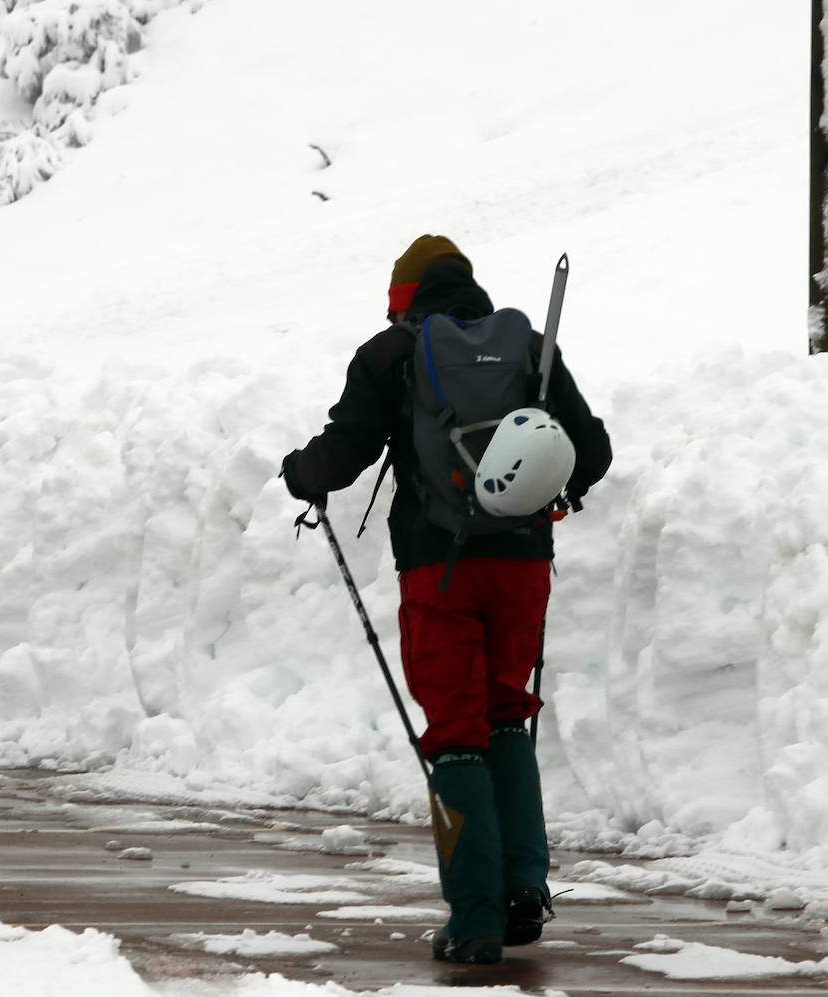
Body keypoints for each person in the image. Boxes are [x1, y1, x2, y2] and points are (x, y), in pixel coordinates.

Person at [281, 235, 612, 965]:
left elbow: (345, 451)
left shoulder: (391, 355)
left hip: (440, 568)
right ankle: (526, 889)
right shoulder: (530, 349)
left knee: (457, 731)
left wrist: (300, 472)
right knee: (506, 714)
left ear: (406, 296)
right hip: (524, 564)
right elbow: (591, 451)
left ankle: (474, 919)